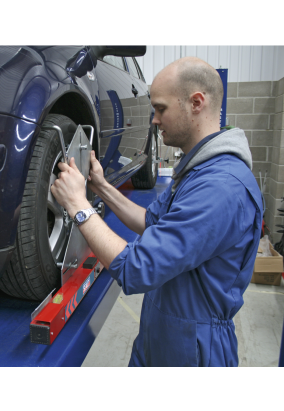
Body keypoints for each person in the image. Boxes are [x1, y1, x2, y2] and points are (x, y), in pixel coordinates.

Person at [51, 57, 263, 367]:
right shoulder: (198, 170)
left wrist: (78, 207)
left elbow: (135, 269)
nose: (154, 120)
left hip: (194, 352)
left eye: (161, 108)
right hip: (160, 335)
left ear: (196, 103)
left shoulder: (221, 188)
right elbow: (151, 222)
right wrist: (100, 187)